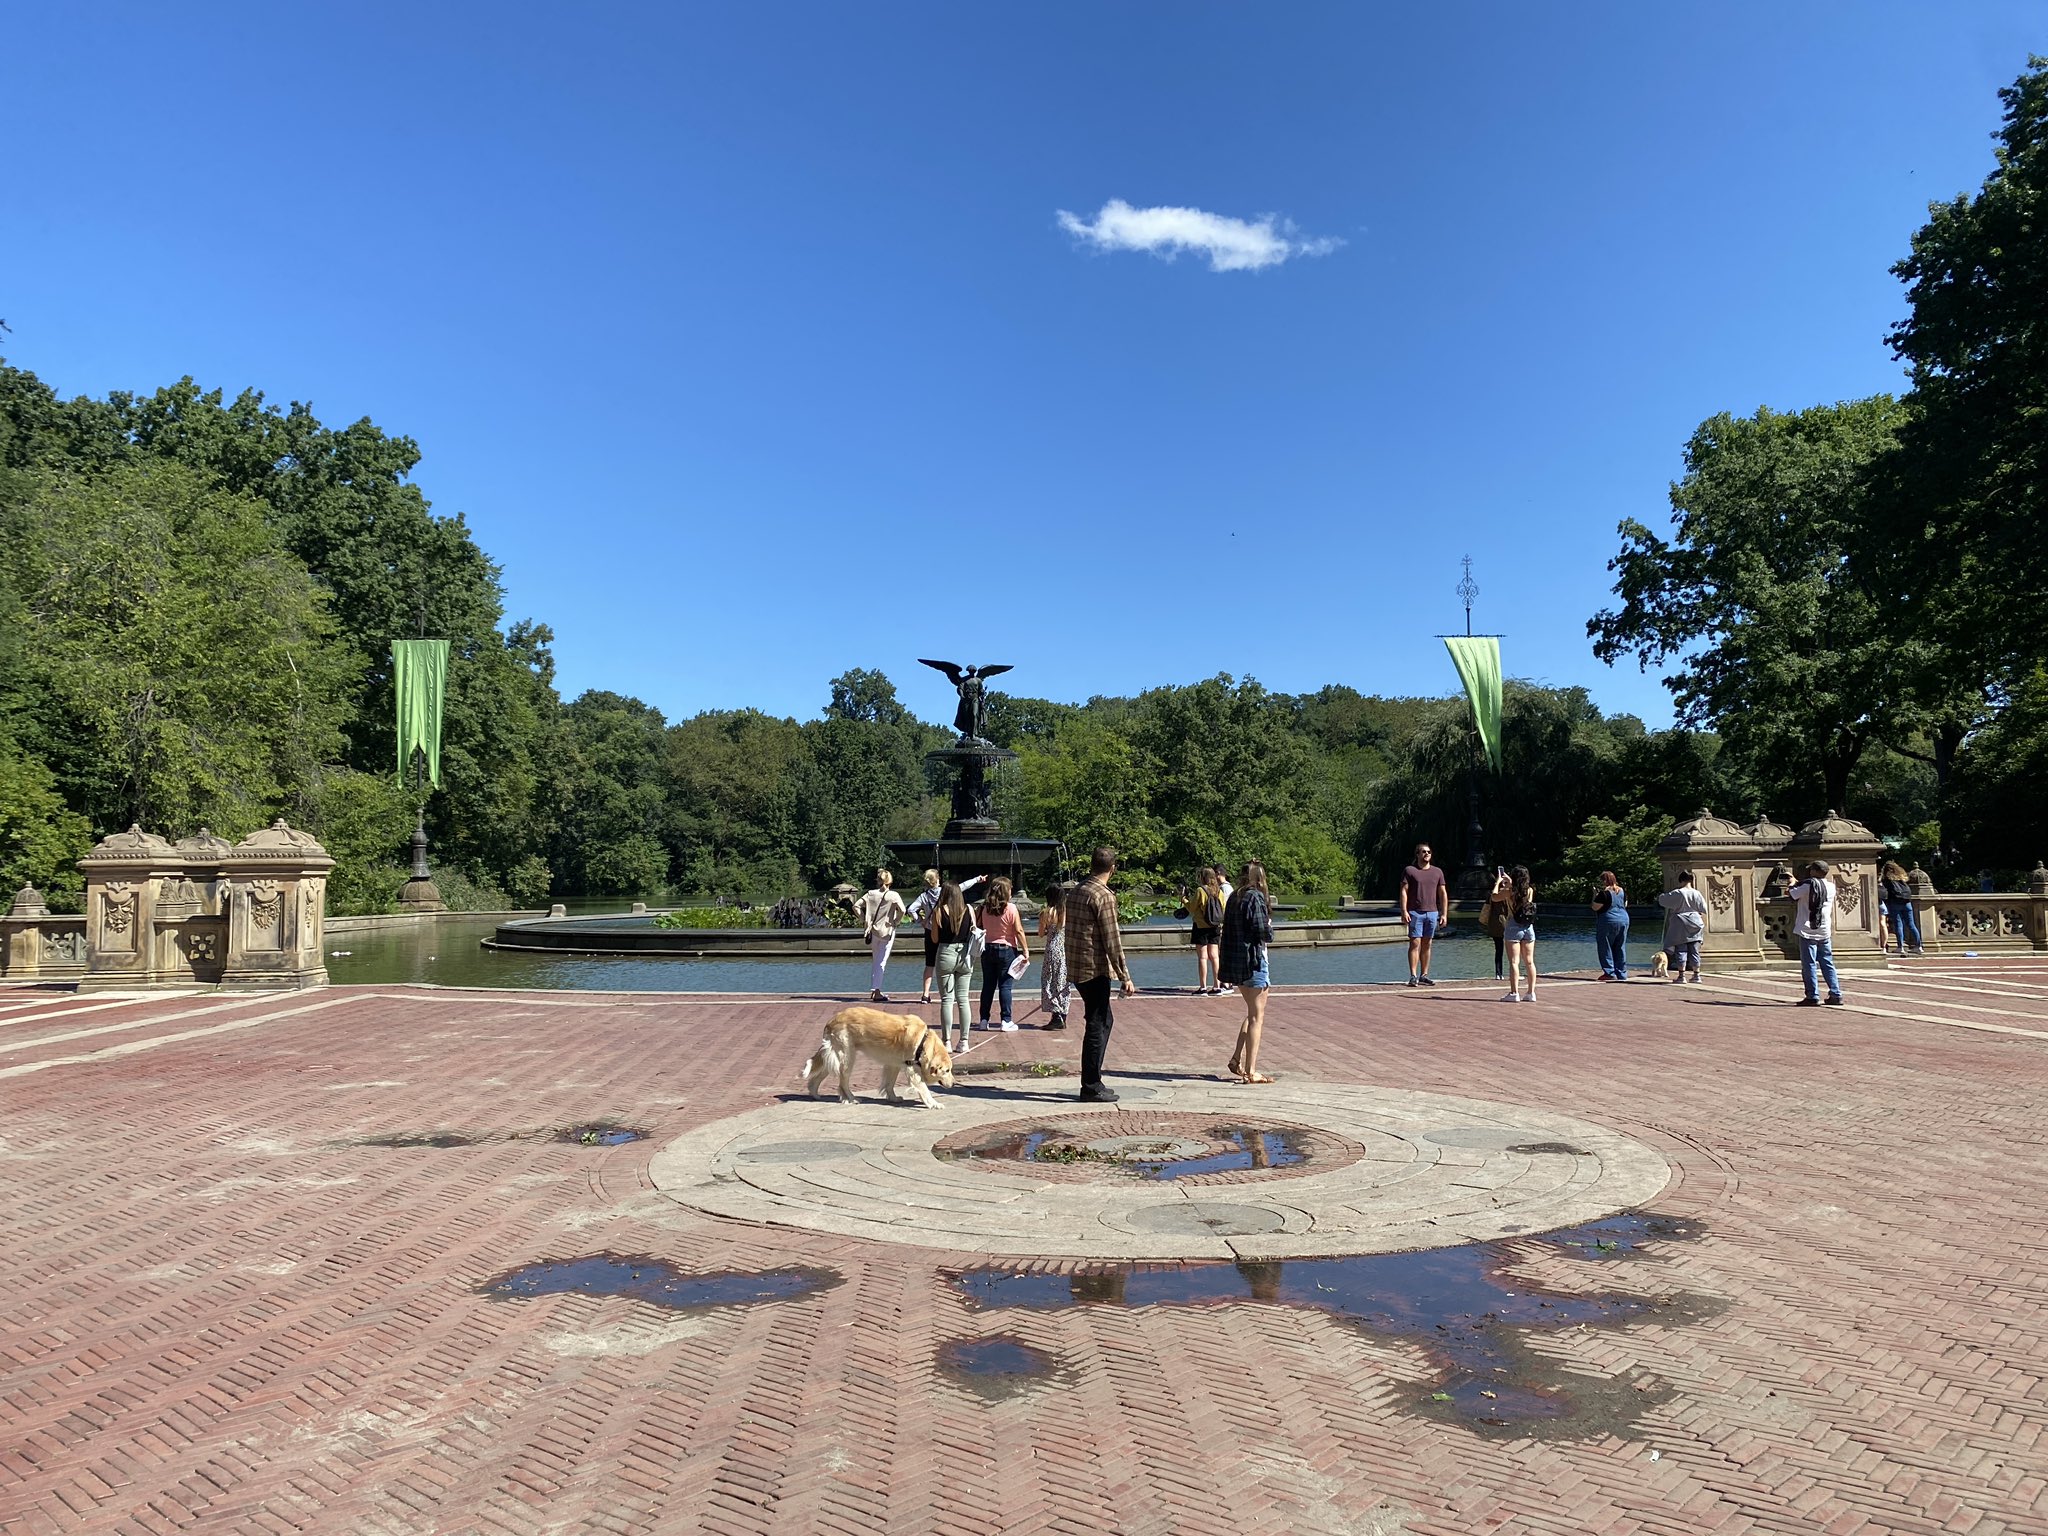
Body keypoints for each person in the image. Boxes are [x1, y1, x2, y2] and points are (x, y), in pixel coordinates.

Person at [1065, 846, 1138, 1102]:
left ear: (1091, 866)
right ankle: (1091, 1085)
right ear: (1113, 869)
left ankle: (1093, 1081)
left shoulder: (1076, 890)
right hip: (1094, 969)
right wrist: (1124, 975)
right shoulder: (1103, 896)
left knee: (1102, 1020)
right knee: (1098, 1023)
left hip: (1076, 967)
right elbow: (1112, 939)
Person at [1220, 860, 1276, 1083]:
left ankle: (1236, 1058)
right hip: (1254, 961)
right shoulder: (1255, 896)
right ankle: (1251, 1072)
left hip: (1237, 963)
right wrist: (1270, 929)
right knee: (1256, 1016)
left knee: (1253, 1011)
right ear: (1259, 878)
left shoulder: (1235, 896)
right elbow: (1262, 930)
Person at [906, 869, 983, 1003]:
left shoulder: (924, 896)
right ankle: (950, 993)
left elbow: (911, 909)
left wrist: (921, 921)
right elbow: (963, 886)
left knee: (929, 963)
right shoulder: (946, 891)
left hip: (930, 931)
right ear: (938, 879)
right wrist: (977, 879)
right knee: (950, 962)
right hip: (947, 930)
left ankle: (925, 994)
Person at [976, 876, 1030, 1032]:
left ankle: (983, 1020)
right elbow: (1018, 930)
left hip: (987, 949)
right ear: (1006, 891)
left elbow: (978, 926)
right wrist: (1025, 949)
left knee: (988, 986)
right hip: (1006, 950)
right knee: (1005, 986)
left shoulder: (984, 908)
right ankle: (1006, 1020)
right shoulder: (1010, 908)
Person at [930, 882, 978, 1053]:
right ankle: (964, 1041)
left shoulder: (939, 911)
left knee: (947, 1000)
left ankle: (947, 1042)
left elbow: (934, 939)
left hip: (946, 953)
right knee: (963, 999)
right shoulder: (969, 909)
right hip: (965, 955)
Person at [1791, 861, 1844, 1007]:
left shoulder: (1807, 886)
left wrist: (1792, 883)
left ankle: (1812, 995)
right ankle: (1836, 993)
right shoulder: (1831, 886)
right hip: (1824, 928)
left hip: (1807, 929)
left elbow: (1792, 895)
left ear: (1814, 871)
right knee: (1827, 962)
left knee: (1809, 964)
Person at [1399, 842, 1449, 986]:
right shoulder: (1410, 870)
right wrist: (1404, 911)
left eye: (1428, 852)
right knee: (1415, 943)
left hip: (1432, 912)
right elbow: (1404, 891)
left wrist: (1444, 913)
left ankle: (1424, 974)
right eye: (1423, 852)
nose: (1426, 854)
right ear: (1417, 854)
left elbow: (1443, 893)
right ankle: (1413, 975)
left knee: (1427, 944)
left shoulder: (1437, 872)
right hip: (1415, 912)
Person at [854, 869, 906, 1002]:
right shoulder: (893, 895)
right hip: (887, 931)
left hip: (873, 931)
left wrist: (864, 920)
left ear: (878, 880)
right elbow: (903, 910)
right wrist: (896, 921)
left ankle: (874, 989)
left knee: (876, 960)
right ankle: (876, 991)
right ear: (890, 880)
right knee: (881, 962)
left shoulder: (871, 894)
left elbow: (855, 906)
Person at [1656, 870, 1708, 983]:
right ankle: (1696, 975)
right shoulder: (1697, 893)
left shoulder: (1678, 892)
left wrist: (1661, 896)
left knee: (1681, 949)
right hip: (1695, 922)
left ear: (1680, 880)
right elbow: (1704, 908)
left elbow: (1663, 901)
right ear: (1691, 880)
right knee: (1695, 950)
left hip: (1680, 923)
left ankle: (1681, 976)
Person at [1183, 866, 1225, 995]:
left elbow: (1192, 907)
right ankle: (1217, 986)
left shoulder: (1201, 890)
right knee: (1215, 956)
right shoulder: (1219, 891)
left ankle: (1203, 987)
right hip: (1215, 926)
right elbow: (1223, 908)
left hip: (1201, 926)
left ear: (1202, 877)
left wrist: (1184, 899)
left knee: (1202, 957)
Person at [1498, 866, 1537, 1002]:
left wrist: (1499, 882)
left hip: (1514, 925)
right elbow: (1524, 898)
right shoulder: (1530, 890)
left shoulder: (1509, 891)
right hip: (1528, 925)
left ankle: (1514, 993)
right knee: (1530, 961)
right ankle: (1531, 992)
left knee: (1514, 961)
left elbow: (1494, 897)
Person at [1038, 883, 1071, 1029]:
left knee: (1049, 981)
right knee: (1062, 982)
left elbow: (1040, 934)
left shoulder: (1047, 912)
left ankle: (1056, 1015)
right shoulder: (1066, 912)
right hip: (1064, 950)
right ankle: (1063, 1014)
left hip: (1052, 949)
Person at [1592, 870, 1630, 981]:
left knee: (1605, 947)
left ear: (1604, 881)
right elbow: (1625, 904)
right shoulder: (1622, 891)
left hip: (1608, 921)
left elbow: (1595, 907)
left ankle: (1609, 972)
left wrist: (1595, 895)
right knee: (1620, 946)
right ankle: (1622, 973)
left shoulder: (1604, 893)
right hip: (1623, 920)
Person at [1880, 860, 1922, 956]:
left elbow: (1885, 893)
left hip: (1895, 903)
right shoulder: (1902, 879)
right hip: (1907, 903)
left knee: (1898, 925)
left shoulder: (1887, 880)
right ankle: (1918, 946)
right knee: (1911, 924)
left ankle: (1900, 947)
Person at [1478, 868, 1510, 980]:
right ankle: (1512, 971)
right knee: (1513, 950)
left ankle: (1498, 973)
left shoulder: (1493, 894)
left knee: (1499, 950)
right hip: (1508, 923)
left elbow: (1491, 898)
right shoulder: (1508, 893)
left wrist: (1497, 882)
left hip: (1495, 923)